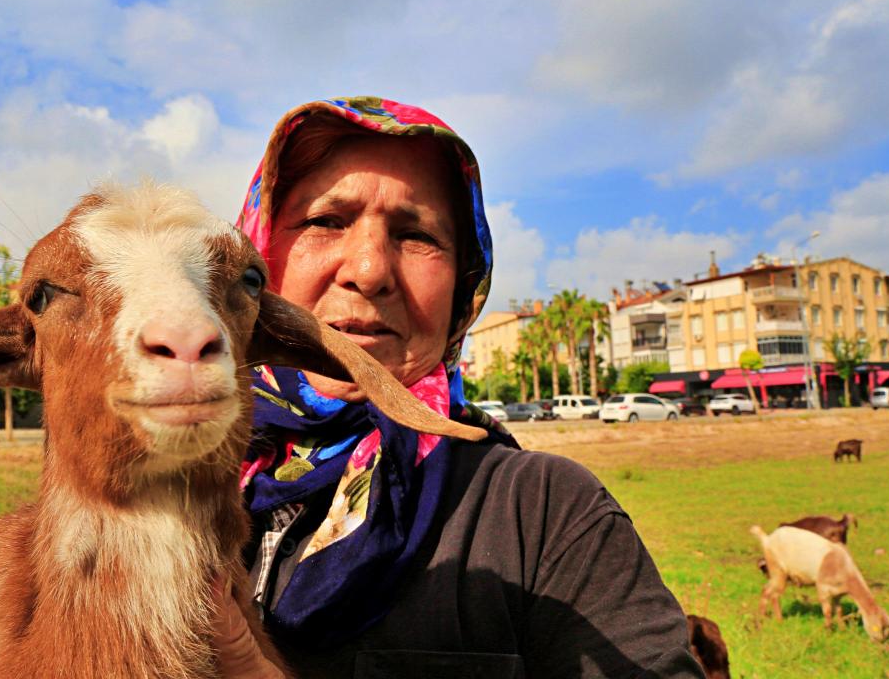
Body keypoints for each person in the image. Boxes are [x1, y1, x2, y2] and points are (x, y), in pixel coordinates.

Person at [215, 97, 701, 678]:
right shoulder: (165, 491)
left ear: (463, 289)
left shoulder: (542, 513)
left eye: (416, 234)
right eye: (326, 221)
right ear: (259, 257)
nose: (369, 271)